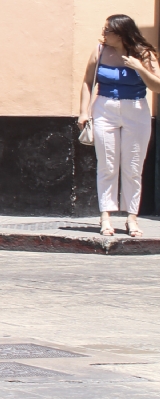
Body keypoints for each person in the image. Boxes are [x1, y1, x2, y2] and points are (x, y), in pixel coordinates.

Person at [77, 14, 159, 238]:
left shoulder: (144, 53)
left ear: (121, 33)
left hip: (136, 110)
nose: (103, 34)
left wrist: (139, 67)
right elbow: (87, 80)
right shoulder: (100, 51)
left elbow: (158, 86)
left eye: (108, 31)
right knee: (107, 165)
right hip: (105, 108)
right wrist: (84, 111)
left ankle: (132, 218)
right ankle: (106, 217)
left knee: (133, 166)